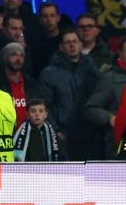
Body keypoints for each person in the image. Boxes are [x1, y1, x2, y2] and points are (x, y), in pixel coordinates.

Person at [38, 28, 100, 161]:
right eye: (67, 42)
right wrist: (56, 131)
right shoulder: (49, 73)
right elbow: (44, 105)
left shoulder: (92, 70)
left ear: (81, 45)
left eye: (75, 41)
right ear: (61, 47)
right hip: (64, 135)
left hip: (91, 134)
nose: (72, 45)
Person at [84, 35, 126, 159]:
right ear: (120, 53)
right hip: (120, 146)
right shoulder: (110, 78)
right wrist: (110, 118)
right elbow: (90, 109)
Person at [0, 42, 38, 128]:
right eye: (14, 55)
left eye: (21, 56)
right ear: (5, 57)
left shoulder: (30, 84)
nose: (18, 59)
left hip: (27, 133)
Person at [31, 1, 62, 78]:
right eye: (45, 16)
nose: (49, 20)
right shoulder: (35, 44)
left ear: (58, 18)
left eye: (52, 15)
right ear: (40, 19)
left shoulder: (66, 41)